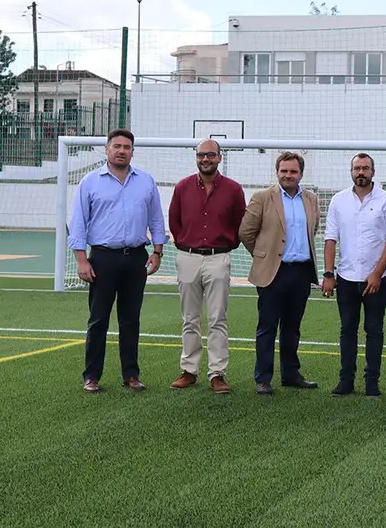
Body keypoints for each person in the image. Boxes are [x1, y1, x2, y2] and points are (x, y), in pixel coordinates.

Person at [69, 128, 166, 393]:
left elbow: (156, 219)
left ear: (132, 152)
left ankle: (131, 375)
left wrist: (157, 251)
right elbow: (78, 223)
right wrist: (81, 260)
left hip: (136, 258)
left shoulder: (146, 181)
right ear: (107, 149)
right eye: (117, 146)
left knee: (131, 319)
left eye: (126, 147)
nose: (121, 151)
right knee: (98, 319)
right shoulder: (90, 182)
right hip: (102, 259)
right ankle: (92, 376)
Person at [167, 139, 246, 394]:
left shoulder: (233, 190)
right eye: (201, 155)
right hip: (188, 257)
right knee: (189, 318)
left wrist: (225, 245)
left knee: (217, 319)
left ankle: (217, 373)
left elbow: (240, 223)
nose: (205, 159)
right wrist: (185, 245)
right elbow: (174, 221)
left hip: (218, 258)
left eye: (210, 155)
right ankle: (189, 370)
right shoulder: (182, 187)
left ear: (220, 157)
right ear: (196, 157)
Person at [239, 151, 321, 395]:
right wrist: (264, 255)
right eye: (284, 171)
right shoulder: (263, 197)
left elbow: (312, 229)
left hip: (301, 272)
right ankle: (263, 378)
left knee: (292, 327)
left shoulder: (311, 199)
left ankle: (291, 373)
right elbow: (246, 232)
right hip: (272, 273)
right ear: (277, 173)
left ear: (301, 174)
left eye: (293, 171)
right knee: (267, 326)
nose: (288, 175)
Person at [320, 153, 386, 398]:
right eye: (357, 168)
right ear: (351, 172)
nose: (361, 172)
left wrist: (377, 273)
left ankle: (371, 382)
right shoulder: (338, 201)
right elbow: (330, 238)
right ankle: (346, 380)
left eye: (365, 168)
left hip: (376, 279)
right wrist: (328, 273)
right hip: (346, 277)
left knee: (374, 329)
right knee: (347, 329)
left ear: (373, 172)